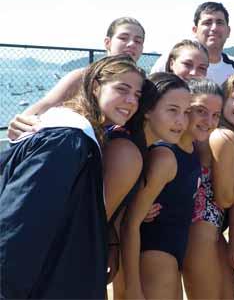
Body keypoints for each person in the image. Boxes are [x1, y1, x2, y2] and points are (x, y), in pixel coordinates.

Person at [0, 54, 145, 299]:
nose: (131, 101)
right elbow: (18, 224)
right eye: (122, 89)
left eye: (137, 95)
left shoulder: (82, 137)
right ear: (96, 86)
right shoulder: (67, 138)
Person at [121, 80, 223, 300]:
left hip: (175, 251)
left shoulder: (192, 148)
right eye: (199, 112)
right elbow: (130, 223)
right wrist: (131, 287)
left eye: (216, 115)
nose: (208, 121)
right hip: (155, 253)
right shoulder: (164, 156)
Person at [104, 73, 192, 298]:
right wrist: (133, 288)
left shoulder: (141, 146)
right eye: (172, 110)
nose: (181, 121)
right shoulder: (127, 150)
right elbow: (105, 219)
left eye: (186, 112)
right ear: (148, 110)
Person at [182, 73, 234, 299]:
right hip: (202, 235)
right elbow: (226, 199)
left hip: (212, 233)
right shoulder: (222, 137)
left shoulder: (214, 133)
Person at [7, 17, 146, 140]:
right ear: (107, 42)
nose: (131, 44)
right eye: (123, 38)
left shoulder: (143, 86)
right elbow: (43, 107)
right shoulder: (83, 77)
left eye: (138, 41)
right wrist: (20, 125)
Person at [152, 2, 234, 84]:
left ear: (228, 31)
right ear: (195, 30)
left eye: (219, 23)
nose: (214, 28)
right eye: (207, 23)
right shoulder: (169, 60)